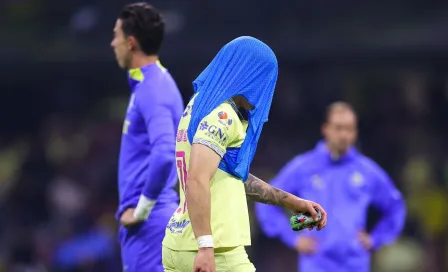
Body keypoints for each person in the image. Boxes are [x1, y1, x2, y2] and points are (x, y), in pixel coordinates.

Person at [161, 36, 327, 272]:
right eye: (264, 78)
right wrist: (206, 247)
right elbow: (197, 179)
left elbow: (230, 176)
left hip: (180, 244)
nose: (265, 88)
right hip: (217, 250)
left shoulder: (199, 105)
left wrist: (292, 202)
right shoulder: (223, 116)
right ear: (249, 74)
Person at [256, 102, 406, 272]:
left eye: (349, 129)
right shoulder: (304, 167)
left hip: (354, 264)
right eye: (338, 128)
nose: (343, 135)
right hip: (316, 264)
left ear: (355, 133)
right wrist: (294, 239)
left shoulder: (367, 171)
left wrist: (375, 239)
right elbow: (266, 200)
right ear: (325, 129)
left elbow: (395, 207)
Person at [110, 2, 184, 272]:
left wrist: (141, 211)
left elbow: (165, 153)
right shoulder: (150, 84)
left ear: (130, 42)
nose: (112, 43)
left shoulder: (153, 89)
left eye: (116, 35)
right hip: (149, 222)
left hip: (150, 224)